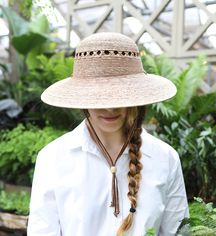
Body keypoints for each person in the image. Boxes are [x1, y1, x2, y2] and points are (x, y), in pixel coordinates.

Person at [27, 32, 189, 236]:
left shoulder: (164, 158)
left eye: (120, 96)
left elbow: (178, 231)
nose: (110, 108)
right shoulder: (53, 158)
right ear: (81, 98)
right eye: (99, 97)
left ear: (137, 96)